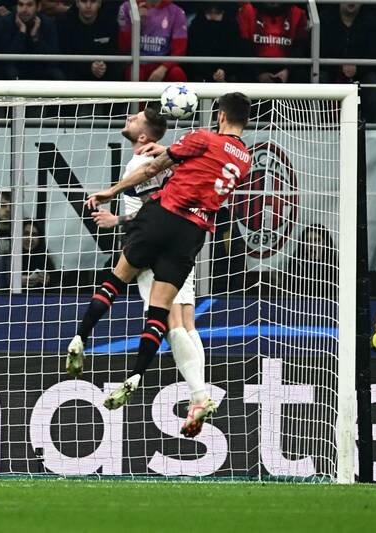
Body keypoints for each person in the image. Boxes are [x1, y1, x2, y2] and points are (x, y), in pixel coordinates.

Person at [67, 92, 252, 439]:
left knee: (128, 290)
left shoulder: (201, 137)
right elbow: (202, 171)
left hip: (162, 219)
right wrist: (174, 155)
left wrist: (111, 195)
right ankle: (195, 395)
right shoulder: (245, 161)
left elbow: (154, 171)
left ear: (221, 116)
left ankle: (81, 337)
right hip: (193, 234)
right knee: (179, 320)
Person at [89, 107, 210, 427]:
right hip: (183, 239)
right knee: (185, 321)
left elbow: (155, 208)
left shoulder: (141, 163)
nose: (128, 118)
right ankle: (200, 395)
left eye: (135, 119)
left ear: (143, 135)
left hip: (156, 245)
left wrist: (117, 220)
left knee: (171, 321)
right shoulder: (168, 159)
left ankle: (199, 395)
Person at [319, 3, 376, 122]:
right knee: (321, 77)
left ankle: (368, 126)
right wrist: (339, 67)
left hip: (361, 72)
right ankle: (324, 125)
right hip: (332, 71)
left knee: (372, 80)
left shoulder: (372, 21)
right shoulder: (325, 19)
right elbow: (320, 53)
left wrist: (358, 68)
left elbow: (375, 54)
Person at [237, 1, 308, 84]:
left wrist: (288, 70)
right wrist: (259, 73)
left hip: (287, 67)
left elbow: (300, 48)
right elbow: (243, 46)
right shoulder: (247, 10)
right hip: (255, 66)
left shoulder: (298, 13)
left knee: (301, 74)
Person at [118, 0, 188, 83]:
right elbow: (123, 47)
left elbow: (180, 50)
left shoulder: (176, 12)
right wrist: (135, 23)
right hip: (136, 62)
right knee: (134, 73)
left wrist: (163, 68)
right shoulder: (127, 7)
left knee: (176, 73)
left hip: (162, 65)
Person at [0, 0, 64, 80]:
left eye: (29, 5)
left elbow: (53, 60)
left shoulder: (48, 23)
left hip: (40, 67)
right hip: (16, 67)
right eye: (20, 4)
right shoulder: (6, 22)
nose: (24, 9)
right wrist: (22, 32)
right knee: (9, 72)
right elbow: (7, 60)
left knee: (56, 74)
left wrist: (35, 38)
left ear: (38, 7)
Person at [57, 0, 121, 82]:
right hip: (74, 80)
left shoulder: (110, 23)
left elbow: (115, 54)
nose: (88, 6)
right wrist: (88, 68)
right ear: (77, 3)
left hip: (105, 76)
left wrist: (104, 66)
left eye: (93, 1)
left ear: (99, 3)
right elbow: (64, 60)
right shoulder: (63, 23)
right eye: (84, 1)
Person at [186, 2, 243, 83]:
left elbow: (235, 51)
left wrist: (224, 70)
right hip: (200, 72)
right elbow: (192, 52)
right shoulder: (197, 25)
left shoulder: (231, 25)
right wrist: (210, 74)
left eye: (217, 12)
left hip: (227, 72)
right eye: (209, 12)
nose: (213, 16)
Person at [282, 224, 338, 300]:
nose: (312, 244)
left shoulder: (333, 263)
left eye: (317, 240)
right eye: (308, 240)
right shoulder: (297, 263)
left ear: (325, 242)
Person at [22, 220, 56, 290]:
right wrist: (16, 281)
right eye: (26, 234)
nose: (30, 239)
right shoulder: (10, 258)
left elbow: (54, 288)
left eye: (34, 235)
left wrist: (47, 281)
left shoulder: (45, 260)